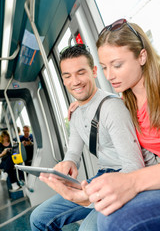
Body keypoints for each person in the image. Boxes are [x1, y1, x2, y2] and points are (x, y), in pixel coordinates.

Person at [30, 45, 155, 231]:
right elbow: (73, 151)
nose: (75, 81)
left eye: (81, 72)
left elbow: (134, 166)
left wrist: (92, 194)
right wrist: (68, 163)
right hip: (101, 176)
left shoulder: (112, 108)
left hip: (123, 177)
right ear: (63, 80)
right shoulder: (76, 113)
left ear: (94, 71)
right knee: (38, 218)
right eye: (67, 76)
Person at [79, 19, 160, 231]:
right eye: (104, 67)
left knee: (111, 221)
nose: (109, 76)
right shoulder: (128, 102)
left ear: (142, 57)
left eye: (117, 65)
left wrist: (133, 182)